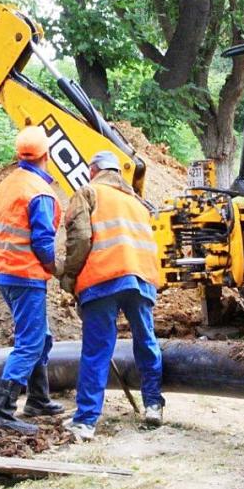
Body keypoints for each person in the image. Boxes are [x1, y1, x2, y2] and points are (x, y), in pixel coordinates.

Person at [60, 150, 164, 441]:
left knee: (97, 351)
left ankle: (85, 422)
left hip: (102, 279)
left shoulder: (89, 192)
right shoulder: (138, 203)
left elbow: (79, 238)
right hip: (141, 279)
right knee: (146, 342)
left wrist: (69, 277)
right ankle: (153, 405)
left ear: (93, 170)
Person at [0, 126, 65, 435]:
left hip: (4, 270)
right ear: (47, 155)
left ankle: (38, 400)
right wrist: (55, 268)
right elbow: (44, 242)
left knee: (40, 336)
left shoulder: (8, 184)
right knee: (30, 342)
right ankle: (1, 409)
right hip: (25, 273)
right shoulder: (40, 191)